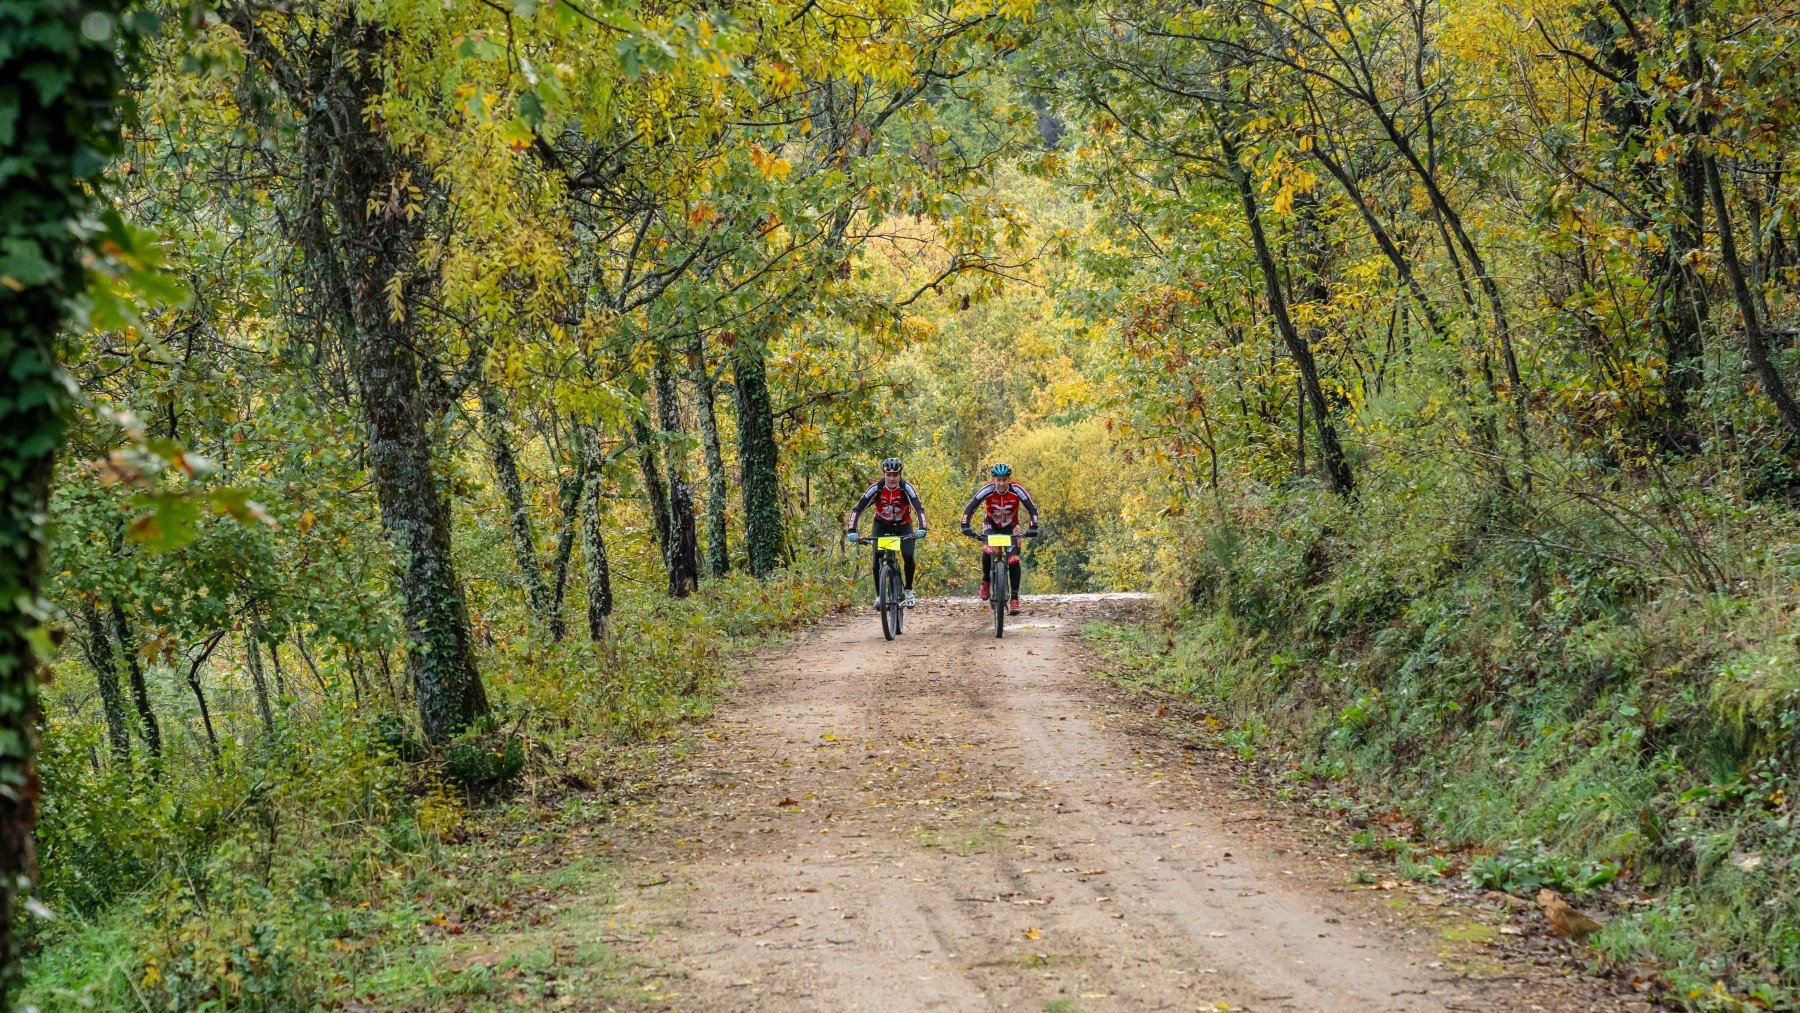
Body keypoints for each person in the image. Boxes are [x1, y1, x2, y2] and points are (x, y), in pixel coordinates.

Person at [846, 457, 928, 608]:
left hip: (903, 525)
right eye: (888, 475)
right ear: (884, 474)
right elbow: (858, 508)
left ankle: (908, 590)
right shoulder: (877, 488)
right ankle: (879, 596)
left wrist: (922, 527)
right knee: (877, 555)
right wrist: (851, 530)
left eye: (895, 475)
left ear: (900, 475)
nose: (891, 478)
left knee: (908, 555)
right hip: (882, 525)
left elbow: (918, 508)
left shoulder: (906, 488)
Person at [960, 462, 1040, 615]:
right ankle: (986, 580)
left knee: (1014, 559)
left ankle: (1015, 599)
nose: (1002, 483)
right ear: (993, 480)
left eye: (1005, 479)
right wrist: (965, 525)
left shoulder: (1017, 490)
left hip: (1011, 527)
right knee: (988, 549)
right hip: (991, 525)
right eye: (998, 480)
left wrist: (1033, 526)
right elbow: (970, 507)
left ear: (1009, 479)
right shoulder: (987, 490)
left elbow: (1032, 508)